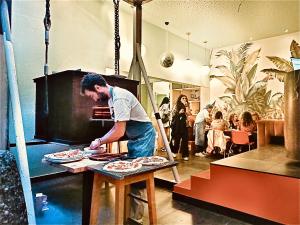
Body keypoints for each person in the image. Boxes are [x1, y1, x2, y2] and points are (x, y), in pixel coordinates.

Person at [80, 73, 156, 223]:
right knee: (131, 176)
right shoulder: (112, 100)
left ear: (97, 87)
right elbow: (116, 127)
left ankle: (136, 220)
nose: (93, 99)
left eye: (91, 96)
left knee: (137, 180)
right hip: (135, 138)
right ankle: (129, 215)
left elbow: (119, 132)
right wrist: (99, 140)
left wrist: (99, 141)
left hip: (145, 137)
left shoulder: (120, 97)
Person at [170, 95, 189, 161]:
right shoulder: (176, 106)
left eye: (185, 98)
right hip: (177, 125)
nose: (184, 99)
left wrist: (186, 106)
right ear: (180, 99)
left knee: (185, 140)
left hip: (184, 125)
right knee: (176, 139)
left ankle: (185, 155)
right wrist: (179, 112)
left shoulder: (186, 106)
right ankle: (174, 152)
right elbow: (172, 114)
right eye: (183, 98)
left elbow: (189, 114)